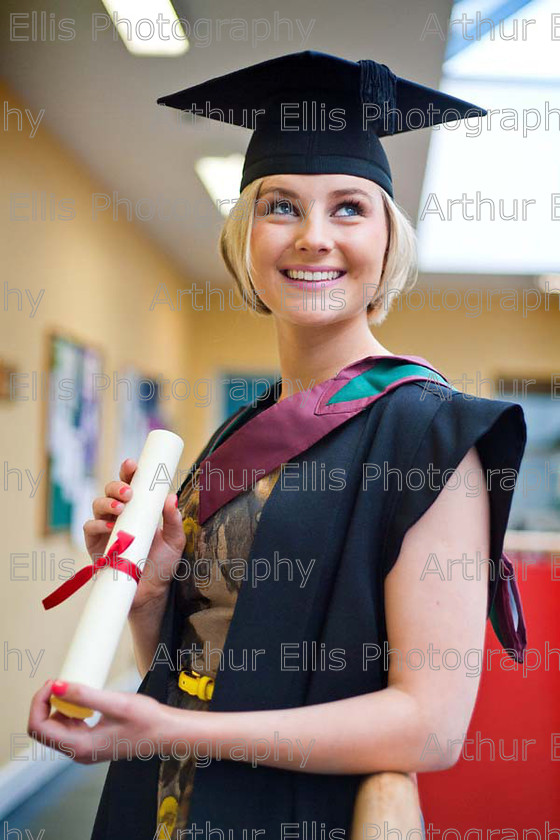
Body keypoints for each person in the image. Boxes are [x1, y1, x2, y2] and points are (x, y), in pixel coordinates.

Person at [27, 51, 528, 840]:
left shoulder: (431, 434)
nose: (313, 238)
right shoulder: (238, 431)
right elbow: (197, 660)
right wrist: (154, 590)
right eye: (282, 206)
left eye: (349, 209)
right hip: (156, 800)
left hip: (289, 817)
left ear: (389, 239)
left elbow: (431, 727)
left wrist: (173, 732)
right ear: (246, 235)